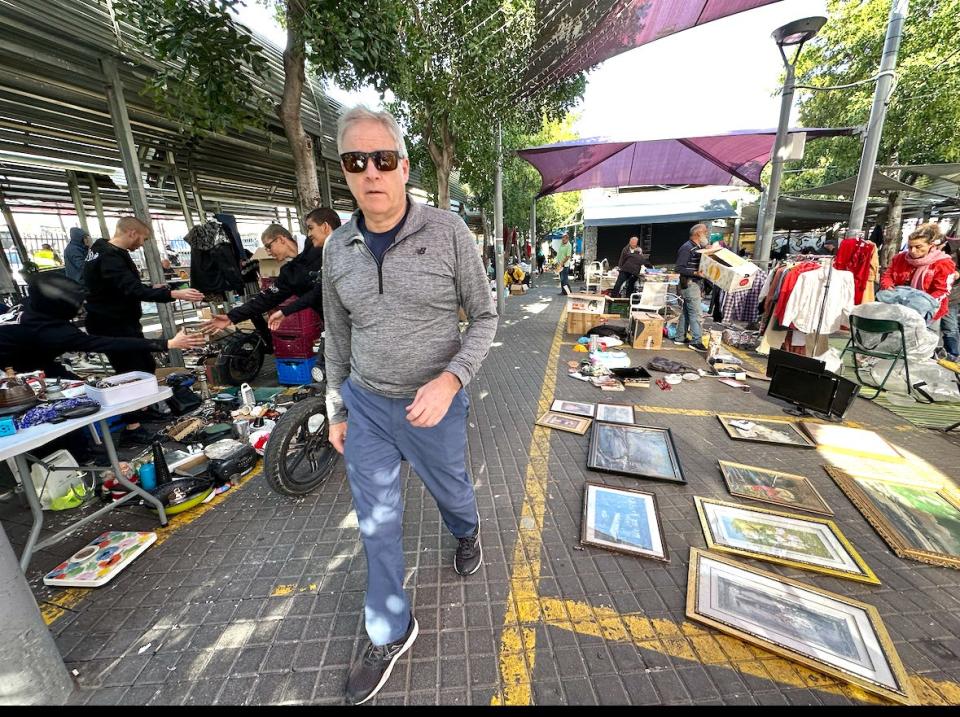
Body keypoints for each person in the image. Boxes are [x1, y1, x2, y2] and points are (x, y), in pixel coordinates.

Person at [322, 105, 497, 705]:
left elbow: (487, 316)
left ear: (404, 165)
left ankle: (466, 530)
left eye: (383, 159)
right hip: (367, 405)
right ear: (344, 172)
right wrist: (335, 406)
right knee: (377, 527)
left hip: (435, 407)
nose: (370, 172)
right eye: (355, 161)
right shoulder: (336, 248)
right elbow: (337, 334)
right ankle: (389, 629)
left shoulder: (448, 232)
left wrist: (451, 380)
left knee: (452, 490)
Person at [84, 217, 204, 441]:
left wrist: (149, 289)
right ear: (131, 232)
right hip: (112, 325)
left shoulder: (103, 251)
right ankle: (132, 428)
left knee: (144, 365)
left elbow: (121, 287)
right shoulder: (109, 256)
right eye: (143, 238)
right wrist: (174, 293)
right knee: (128, 374)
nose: (142, 243)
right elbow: (130, 289)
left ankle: (143, 411)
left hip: (119, 320)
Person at [0, 272, 204, 379]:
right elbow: (107, 343)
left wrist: (151, 290)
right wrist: (166, 344)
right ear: (58, 307)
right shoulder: (52, 332)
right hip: (11, 369)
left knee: (74, 385)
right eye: (76, 305)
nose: (81, 308)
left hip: (30, 359)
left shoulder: (32, 304)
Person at [880, 222, 956, 329]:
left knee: (924, 341)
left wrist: (921, 302)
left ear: (931, 246)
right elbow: (888, 276)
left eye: (918, 247)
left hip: (928, 311)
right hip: (898, 307)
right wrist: (888, 287)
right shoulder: (900, 258)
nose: (913, 251)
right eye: (910, 247)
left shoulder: (943, 263)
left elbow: (942, 290)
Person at [674, 223, 709, 351]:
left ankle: (679, 338)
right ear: (698, 233)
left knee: (687, 312)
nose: (707, 234)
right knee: (696, 314)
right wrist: (695, 273)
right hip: (689, 283)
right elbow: (679, 268)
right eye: (705, 232)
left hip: (692, 283)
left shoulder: (696, 247)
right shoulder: (687, 248)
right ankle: (696, 341)